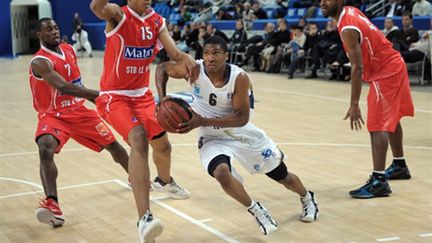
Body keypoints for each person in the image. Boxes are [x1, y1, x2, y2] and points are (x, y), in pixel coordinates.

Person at [155, 36, 319, 236]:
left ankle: (306, 197)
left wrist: (202, 121)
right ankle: (256, 209)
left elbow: (241, 118)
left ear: (226, 55)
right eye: (206, 53)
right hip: (212, 137)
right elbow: (162, 68)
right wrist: (162, 98)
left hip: (241, 134)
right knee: (222, 173)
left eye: (216, 53)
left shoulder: (239, 78)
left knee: (282, 176)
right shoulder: (194, 70)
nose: (210, 58)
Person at [89, 0, 196, 241]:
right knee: (138, 138)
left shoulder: (157, 20)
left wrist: (186, 59)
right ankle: (144, 218)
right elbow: (97, 7)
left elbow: (175, 53)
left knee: (163, 144)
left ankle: (164, 181)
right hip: (114, 97)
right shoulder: (118, 15)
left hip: (142, 95)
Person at [30, 18, 129, 227]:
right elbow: (64, 87)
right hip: (54, 114)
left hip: (79, 111)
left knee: (114, 147)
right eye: (48, 29)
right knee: (45, 147)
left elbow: (77, 83)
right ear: (39, 34)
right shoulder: (40, 62)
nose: (54, 31)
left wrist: (95, 99)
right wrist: (98, 94)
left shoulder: (68, 49)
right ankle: (53, 205)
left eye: (56, 27)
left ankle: (138, 179)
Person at [320, 0, 414, 198]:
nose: (322, 2)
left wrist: (354, 104)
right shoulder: (350, 11)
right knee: (392, 118)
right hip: (393, 64)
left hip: (386, 72)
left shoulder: (347, 25)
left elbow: (357, 67)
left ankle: (379, 181)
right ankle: (399, 165)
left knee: (377, 125)